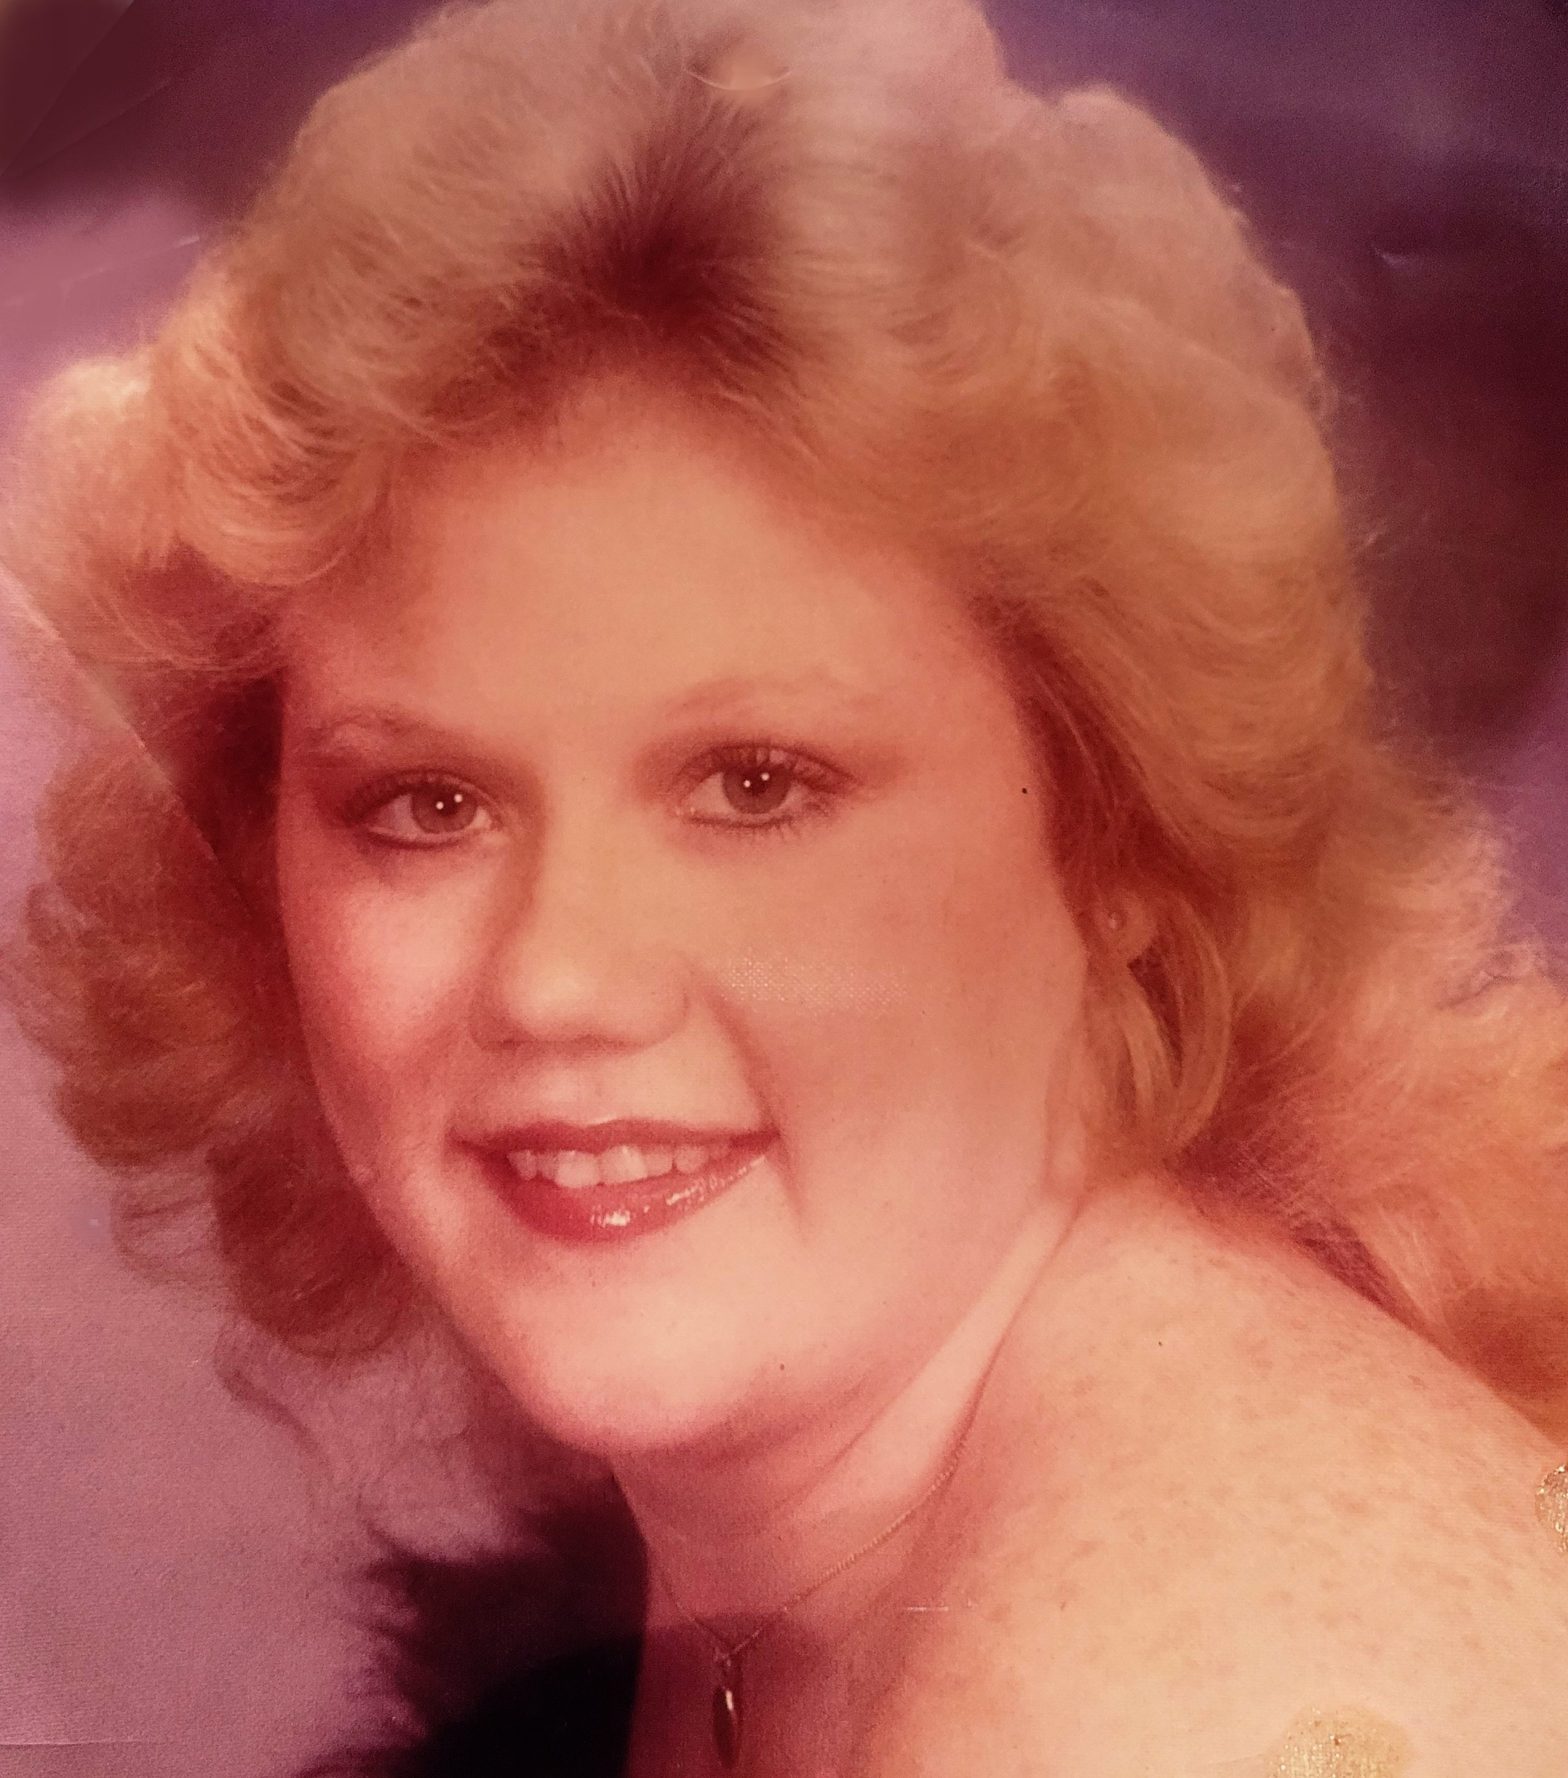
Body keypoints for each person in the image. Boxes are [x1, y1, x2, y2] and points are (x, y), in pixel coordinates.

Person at [4, 0, 1568, 1772]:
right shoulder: (800, 1538)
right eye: (425, 804)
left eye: (755, 785)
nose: (561, 978)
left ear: (1119, 830)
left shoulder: (1165, 1700)